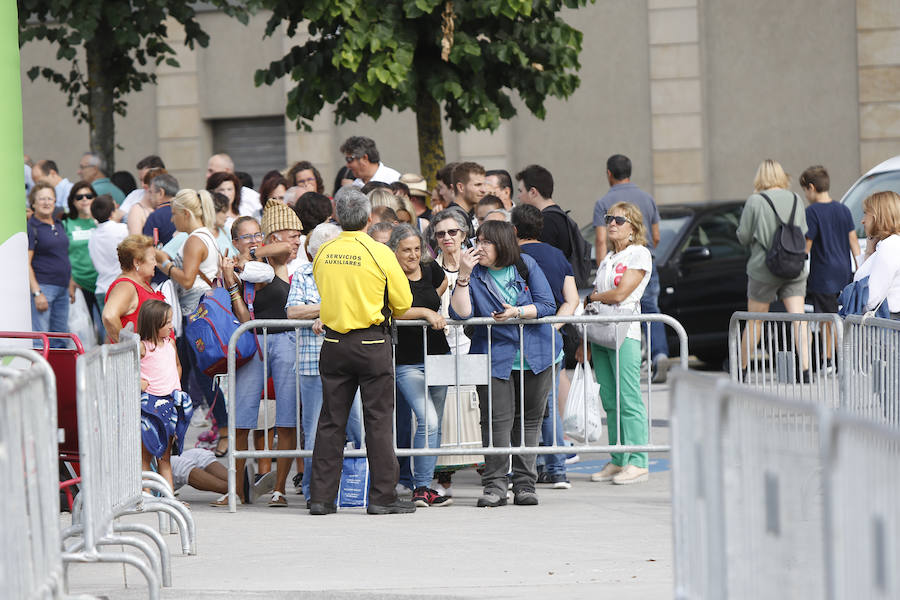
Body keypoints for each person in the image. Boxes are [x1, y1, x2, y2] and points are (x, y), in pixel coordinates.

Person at [308, 186, 414, 515]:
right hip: (371, 341)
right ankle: (382, 497)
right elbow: (403, 302)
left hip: (335, 341)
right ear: (368, 219)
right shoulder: (380, 253)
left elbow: (320, 287)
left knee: (331, 422)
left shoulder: (324, 251)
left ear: (338, 217)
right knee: (379, 421)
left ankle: (322, 498)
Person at [449, 220, 559, 507]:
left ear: (503, 244)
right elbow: (460, 314)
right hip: (495, 355)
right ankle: (495, 486)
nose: (478, 247)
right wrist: (462, 276)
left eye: (486, 242)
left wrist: (517, 312)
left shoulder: (526, 265)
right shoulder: (474, 274)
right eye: (477, 240)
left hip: (535, 354)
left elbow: (547, 305)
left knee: (529, 422)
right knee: (496, 423)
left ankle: (525, 484)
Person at [220, 203, 302, 507]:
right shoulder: (236, 270)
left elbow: (283, 244)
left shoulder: (271, 258)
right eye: (246, 237)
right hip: (252, 339)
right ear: (233, 242)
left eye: (257, 234)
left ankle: (279, 488)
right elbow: (243, 317)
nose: (254, 240)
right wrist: (232, 285)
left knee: (286, 417)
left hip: (283, 340)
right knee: (242, 417)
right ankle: (237, 488)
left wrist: (251, 255)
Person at [285, 222, 363, 499]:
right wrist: (328, 309)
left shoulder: (351, 273)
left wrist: (325, 313)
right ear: (316, 252)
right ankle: (312, 491)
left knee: (357, 427)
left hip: (348, 359)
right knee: (314, 429)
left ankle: (357, 489)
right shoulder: (304, 274)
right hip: (311, 362)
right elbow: (293, 312)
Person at [510, 204, 578, 489]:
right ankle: (558, 469)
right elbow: (571, 299)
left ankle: (531, 466)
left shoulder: (512, 257)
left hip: (516, 339)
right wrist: (554, 326)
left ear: (514, 230)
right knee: (547, 405)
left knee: (520, 408)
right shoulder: (557, 255)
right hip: (551, 339)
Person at [586, 202, 652, 485]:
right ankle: (619, 457)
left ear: (633, 227)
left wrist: (593, 298)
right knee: (610, 399)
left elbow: (619, 294)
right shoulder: (608, 257)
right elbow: (604, 292)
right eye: (609, 218)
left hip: (625, 331)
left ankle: (638, 460)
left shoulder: (639, 253)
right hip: (601, 329)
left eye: (619, 220)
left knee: (628, 397)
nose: (612, 223)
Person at [387, 225, 452, 507]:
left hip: (439, 354)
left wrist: (430, 306)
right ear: (394, 251)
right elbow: (392, 310)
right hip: (407, 360)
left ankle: (424, 486)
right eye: (406, 250)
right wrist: (426, 312)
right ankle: (419, 486)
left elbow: (441, 288)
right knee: (429, 420)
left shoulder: (433, 271)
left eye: (417, 249)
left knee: (434, 424)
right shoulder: (388, 277)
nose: (413, 255)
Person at [593, 155, 669, 382]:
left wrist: (603, 269)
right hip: (646, 263)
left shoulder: (603, 202)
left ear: (608, 174)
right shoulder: (647, 198)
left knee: (616, 308)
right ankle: (660, 354)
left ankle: (618, 354)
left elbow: (599, 239)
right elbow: (656, 235)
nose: (613, 223)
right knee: (650, 310)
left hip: (618, 264)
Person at [736, 159, 810, 380]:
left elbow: (744, 236)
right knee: (799, 318)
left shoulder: (755, 201)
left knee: (756, 319)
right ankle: (806, 370)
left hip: (764, 269)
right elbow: (803, 231)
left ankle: (741, 368)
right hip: (794, 266)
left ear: (760, 177)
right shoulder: (796, 199)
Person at [801, 165, 861, 370]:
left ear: (811, 187)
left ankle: (830, 359)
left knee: (827, 320)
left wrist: (798, 262)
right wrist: (859, 267)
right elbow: (853, 241)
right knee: (840, 317)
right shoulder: (843, 209)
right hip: (843, 272)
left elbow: (807, 244)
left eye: (805, 191)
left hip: (823, 274)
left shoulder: (812, 212)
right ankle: (837, 358)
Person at [137, 299, 193, 492]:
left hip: (169, 404)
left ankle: (169, 499)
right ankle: (146, 495)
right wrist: (140, 382)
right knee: (146, 455)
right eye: (167, 322)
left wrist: (173, 384)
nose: (171, 326)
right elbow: (127, 371)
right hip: (149, 407)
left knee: (165, 456)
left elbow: (177, 365)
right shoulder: (142, 347)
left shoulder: (170, 343)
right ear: (154, 324)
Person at [28, 182, 71, 347]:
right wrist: (37, 293)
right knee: (41, 341)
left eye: (50, 199)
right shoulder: (32, 227)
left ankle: (56, 373)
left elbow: (63, 255)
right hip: (44, 288)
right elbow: (27, 263)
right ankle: (41, 373)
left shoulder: (59, 225)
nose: (46, 203)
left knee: (60, 340)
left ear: (55, 201)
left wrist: (71, 284)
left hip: (62, 289)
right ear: (33, 203)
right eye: (41, 199)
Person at [102, 234, 166, 342]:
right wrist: (131, 347)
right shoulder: (126, 286)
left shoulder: (139, 282)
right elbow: (109, 316)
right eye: (152, 259)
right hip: (142, 357)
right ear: (137, 262)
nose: (155, 263)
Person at [62, 181, 101, 339]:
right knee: (85, 329)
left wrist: (94, 216)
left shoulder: (100, 221)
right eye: (79, 197)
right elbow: (62, 254)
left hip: (101, 281)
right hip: (78, 281)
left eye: (89, 196)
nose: (84, 199)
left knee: (106, 328)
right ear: (73, 201)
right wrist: (70, 279)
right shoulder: (66, 223)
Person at [854, 191, 900, 317]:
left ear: (877, 216)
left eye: (865, 214)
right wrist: (869, 250)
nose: (863, 221)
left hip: (886, 324)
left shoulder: (889, 246)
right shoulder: (889, 244)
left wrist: (853, 301)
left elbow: (870, 298)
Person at [88, 194, 128, 313]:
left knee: (107, 330)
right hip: (119, 287)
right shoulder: (123, 229)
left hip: (101, 288)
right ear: (112, 211)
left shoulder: (93, 236)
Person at [207, 153, 261, 219]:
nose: (207, 175)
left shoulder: (251, 198)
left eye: (211, 171)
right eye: (221, 190)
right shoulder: (207, 206)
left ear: (227, 171)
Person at [128, 167, 167, 235]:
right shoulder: (137, 211)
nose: (162, 195)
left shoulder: (162, 207)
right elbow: (135, 242)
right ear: (146, 187)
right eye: (158, 190)